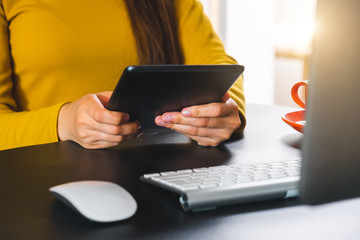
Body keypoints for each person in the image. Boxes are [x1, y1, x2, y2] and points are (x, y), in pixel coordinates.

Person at [0, 0, 246, 151]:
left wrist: (226, 111)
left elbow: (220, 65)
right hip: (38, 181)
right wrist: (63, 122)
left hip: (159, 177)